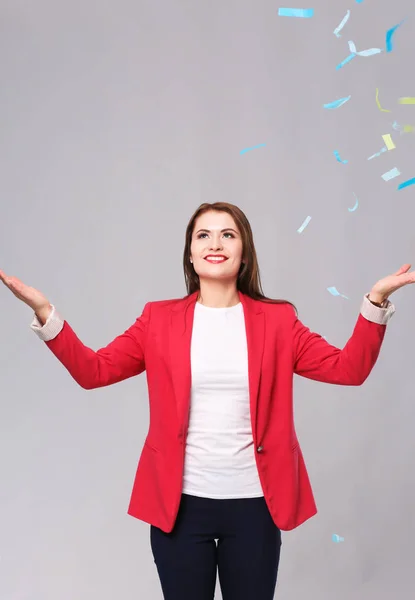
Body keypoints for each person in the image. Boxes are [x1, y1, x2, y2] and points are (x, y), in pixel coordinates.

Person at [1, 201, 414, 600]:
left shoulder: (279, 321)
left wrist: (375, 302)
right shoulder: (157, 319)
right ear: (191, 255)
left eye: (227, 235)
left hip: (255, 504)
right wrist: (46, 313)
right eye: (204, 235)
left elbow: (348, 370)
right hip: (179, 506)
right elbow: (94, 371)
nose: (215, 243)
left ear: (244, 254)